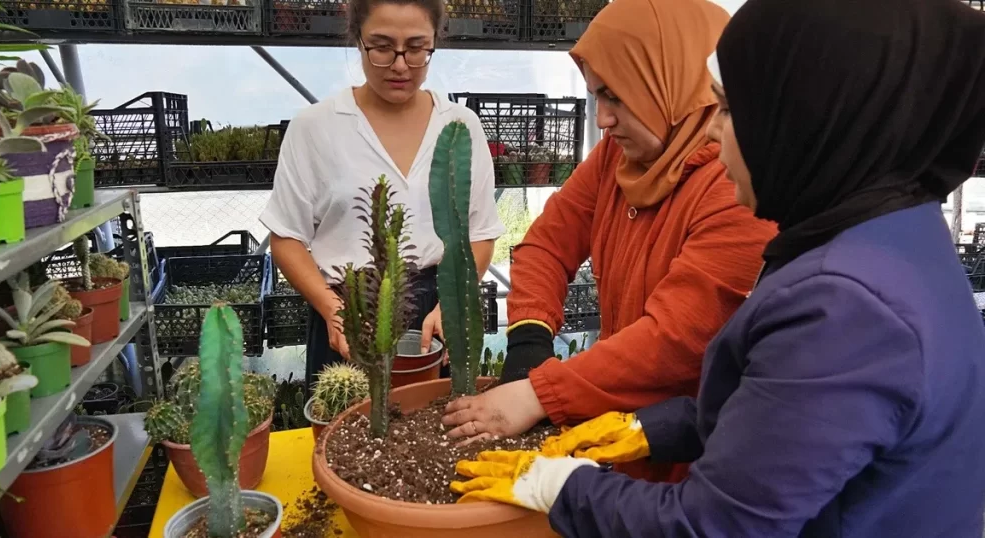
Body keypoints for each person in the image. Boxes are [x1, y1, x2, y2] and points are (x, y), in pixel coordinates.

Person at [448, 0, 985, 536]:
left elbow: (715, 524)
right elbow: (779, 414)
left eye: (728, 109)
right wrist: (650, 427)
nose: (710, 130)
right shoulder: (891, 230)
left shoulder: (844, 305)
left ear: (802, 116)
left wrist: (561, 487)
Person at [441, 0, 776, 484]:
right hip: (619, 436)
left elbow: (674, 341)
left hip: (694, 461)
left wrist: (540, 393)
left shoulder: (734, 188)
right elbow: (547, 244)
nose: (602, 119)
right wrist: (529, 338)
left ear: (670, 83)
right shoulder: (617, 161)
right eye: (596, 95)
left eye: (616, 97)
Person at [259, 0, 504, 390]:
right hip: (349, 308)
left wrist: (452, 305)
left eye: (417, 48)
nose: (400, 65)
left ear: (435, 42)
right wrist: (334, 310)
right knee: (348, 419)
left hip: (436, 308)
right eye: (382, 47)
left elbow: (481, 233)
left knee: (438, 422)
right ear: (358, 40)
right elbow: (286, 237)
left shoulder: (460, 127)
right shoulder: (315, 127)